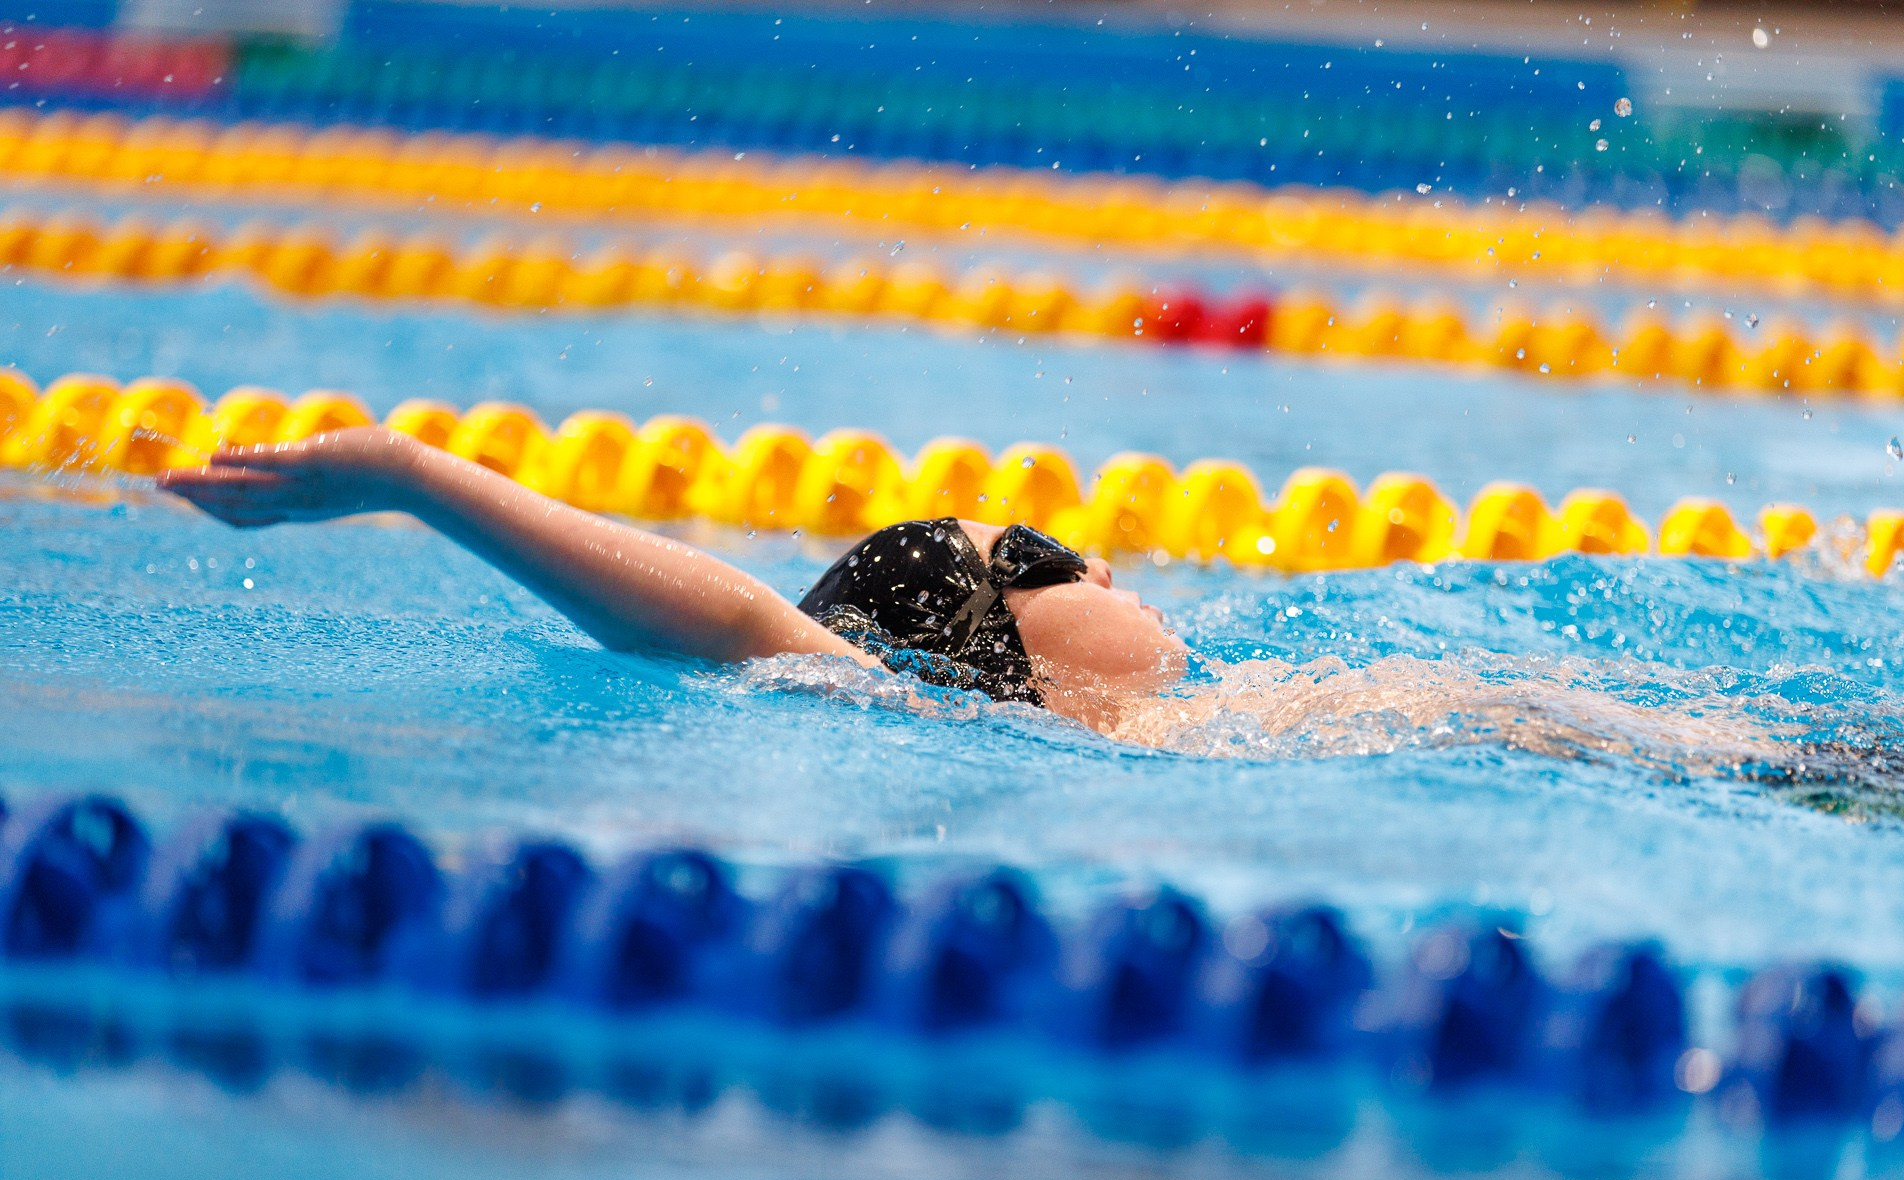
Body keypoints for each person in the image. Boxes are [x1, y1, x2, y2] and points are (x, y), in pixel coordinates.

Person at [159, 428, 1190, 733]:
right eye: (1039, 560)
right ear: (986, 648)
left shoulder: (1228, 717)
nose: (1098, 562)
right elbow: (737, 615)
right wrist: (412, 474)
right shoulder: (930, 707)